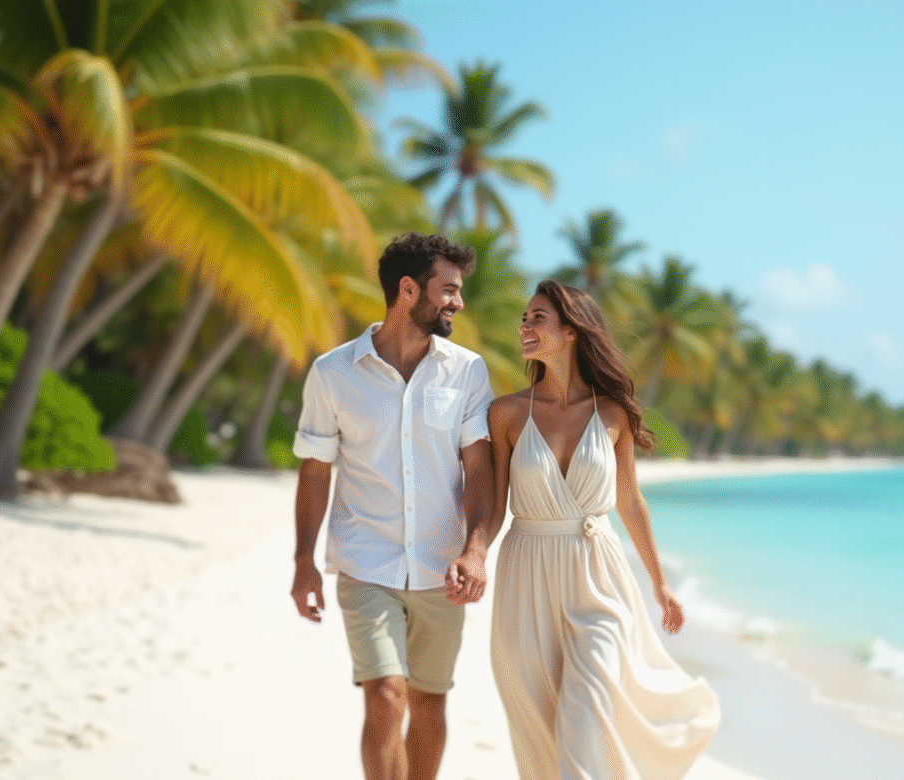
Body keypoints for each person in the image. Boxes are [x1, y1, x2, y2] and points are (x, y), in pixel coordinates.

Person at [482, 280, 720, 780]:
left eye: (537, 317)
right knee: (538, 731)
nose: (524, 326)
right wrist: (471, 555)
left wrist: (659, 583)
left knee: (585, 716)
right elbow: (493, 505)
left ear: (570, 331)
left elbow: (629, 501)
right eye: (524, 317)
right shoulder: (505, 413)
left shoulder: (612, 414)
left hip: (599, 579)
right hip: (526, 578)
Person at [290, 233, 494, 780]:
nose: (458, 303)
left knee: (430, 703)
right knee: (385, 696)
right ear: (409, 290)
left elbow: (480, 469)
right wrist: (303, 562)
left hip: (441, 569)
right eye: (448, 290)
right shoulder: (333, 373)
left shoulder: (468, 372)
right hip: (366, 562)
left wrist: (476, 552)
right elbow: (315, 470)